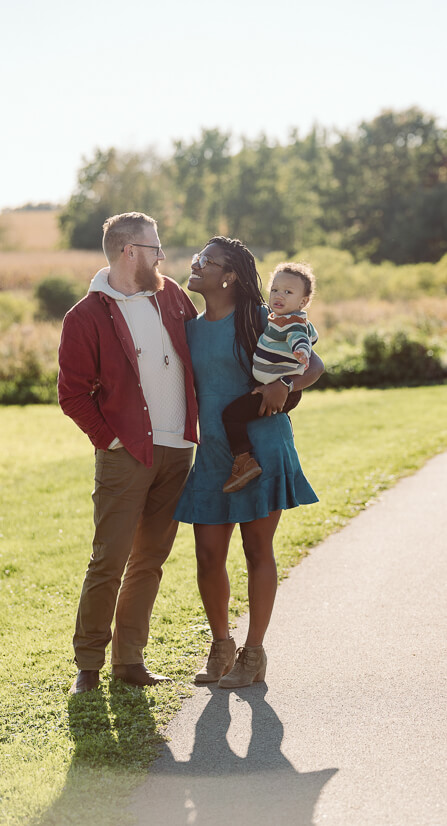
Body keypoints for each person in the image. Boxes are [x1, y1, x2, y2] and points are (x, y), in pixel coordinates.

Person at [174, 237, 323, 689]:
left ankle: (253, 654)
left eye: (206, 262)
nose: (195, 265)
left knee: (257, 550)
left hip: (261, 448)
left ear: (230, 276)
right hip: (215, 452)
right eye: (198, 259)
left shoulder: (261, 318)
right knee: (207, 555)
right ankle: (221, 646)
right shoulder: (190, 328)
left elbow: (313, 365)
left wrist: (285, 386)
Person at [58, 212, 198, 694]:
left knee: (150, 559)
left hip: (178, 449)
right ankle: (89, 666)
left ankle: (130, 660)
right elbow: (72, 394)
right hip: (126, 455)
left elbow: (201, 352)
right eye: (155, 247)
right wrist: (111, 439)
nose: (162, 255)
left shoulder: (173, 295)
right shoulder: (85, 316)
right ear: (129, 251)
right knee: (109, 559)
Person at [221, 262, 318, 493]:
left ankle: (244, 461)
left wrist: (301, 352)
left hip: (282, 389)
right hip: (276, 386)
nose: (279, 295)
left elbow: (300, 339)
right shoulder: (279, 318)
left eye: (288, 292)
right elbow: (310, 333)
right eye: (275, 289)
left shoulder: (291, 322)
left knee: (231, 415)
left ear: (303, 302)